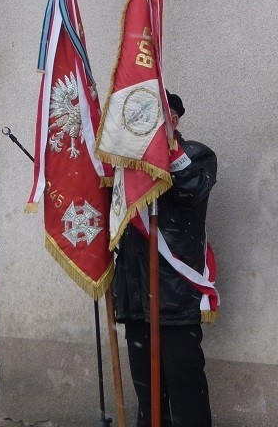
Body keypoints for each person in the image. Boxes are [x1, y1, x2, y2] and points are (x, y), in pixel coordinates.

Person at [114, 90, 217, 427]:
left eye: (155, 117)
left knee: (186, 396)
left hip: (173, 296)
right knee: (148, 400)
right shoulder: (128, 165)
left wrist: (167, 146)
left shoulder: (196, 155)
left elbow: (191, 190)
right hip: (134, 298)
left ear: (173, 119)